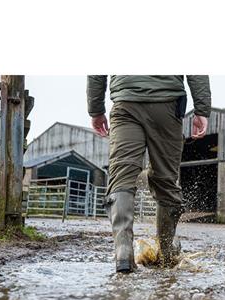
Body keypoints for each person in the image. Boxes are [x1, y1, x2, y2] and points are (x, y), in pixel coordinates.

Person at [87, 75, 211, 273]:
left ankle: (123, 251)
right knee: (166, 179)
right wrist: (202, 109)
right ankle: (166, 252)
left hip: (125, 103)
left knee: (121, 175)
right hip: (167, 105)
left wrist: (96, 109)